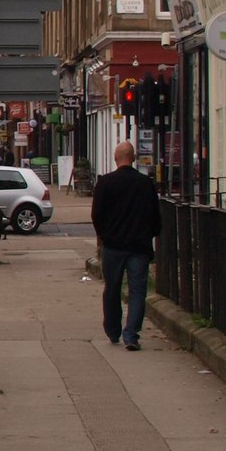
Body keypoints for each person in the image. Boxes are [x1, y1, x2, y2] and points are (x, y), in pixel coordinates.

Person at [92, 140, 162, 350]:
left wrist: (103, 236)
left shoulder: (105, 183)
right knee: (137, 290)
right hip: (138, 246)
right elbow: (155, 215)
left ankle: (113, 330)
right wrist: (151, 234)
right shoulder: (145, 183)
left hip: (113, 246)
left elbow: (97, 214)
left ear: (115, 159)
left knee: (112, 289)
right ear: (133, 158)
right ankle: (131, 335)